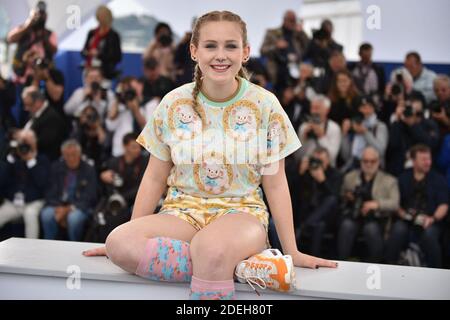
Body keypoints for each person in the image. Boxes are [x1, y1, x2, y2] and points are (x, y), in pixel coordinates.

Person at [83, 10, 337, 300]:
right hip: (181, 212)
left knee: (211, 248)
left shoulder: (266, 105)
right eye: (210, 45)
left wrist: (291, 250)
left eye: (230, 46)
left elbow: (276, 183)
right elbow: (154, 177)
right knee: (119, 242)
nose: (220, 55)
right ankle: (240, 267)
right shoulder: (172, 103)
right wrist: (134, 233)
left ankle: (221, 257)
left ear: (245, 52)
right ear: (194, 51)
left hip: (242, 214)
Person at [385, 144, 448, 268]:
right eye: (423, 159)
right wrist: (404, 214)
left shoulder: (438, 179)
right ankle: (388, 267)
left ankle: (436, 271)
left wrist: (433, 218)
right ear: (413, 161)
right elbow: (396, 203)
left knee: (429, 235)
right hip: (406, 219)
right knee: (398, 230)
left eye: (429, 159)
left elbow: (444, 205)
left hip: (431, 220)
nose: (428, 162)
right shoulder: (403, 178)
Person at [337, 147, 399, 263]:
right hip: (354, 215)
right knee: (346, 225)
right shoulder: (350, 177)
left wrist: (377, 204)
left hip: (376, 218)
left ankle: (377, 264)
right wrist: (348, 196)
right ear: (361, 162)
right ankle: (342, 262)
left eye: (372, 161)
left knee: (370, 229)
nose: (369, 164)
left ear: (378, 161)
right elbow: (341, 196)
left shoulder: (389, 180)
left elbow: (395, 203)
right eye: (365, 161)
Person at [40, 140, 97, 241]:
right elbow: (49, 191)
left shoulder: (89, 169)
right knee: (46, 215)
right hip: (57, 204)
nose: (71, 158)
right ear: (63, 155)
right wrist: (59, 207)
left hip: (79, 206)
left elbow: (90, 196)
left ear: (80, 154)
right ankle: (48, 244)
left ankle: (74, 245)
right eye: (67, 155)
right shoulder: (56, 167)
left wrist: (67, 210)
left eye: (74, 154)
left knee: (73, 219)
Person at [0, 129, 50, 238]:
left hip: (33, 202)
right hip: (13, 203)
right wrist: (10, 159)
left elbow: (43, 184)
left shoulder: (42, 159)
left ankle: (31, 250)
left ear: (34, 142)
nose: (25, 146)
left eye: (28, 142)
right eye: (23, 142)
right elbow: (2, 180)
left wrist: (32, 162)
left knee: (30, 215)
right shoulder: (14, 159)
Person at [7, 1, 57, 84]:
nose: (39, 17)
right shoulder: (24, 29)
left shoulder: (49, 34)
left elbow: (54, 50)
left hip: (41, 78)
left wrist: (43, 36)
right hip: (21, 77)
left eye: (41, 15)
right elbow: (10, 39)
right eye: (37, 15)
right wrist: (29, 23)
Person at [260, 10, 309, 93]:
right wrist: (276, 46)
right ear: (284, 20)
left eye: (294, 20)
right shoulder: (272, 33)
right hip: (277, 74)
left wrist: (302, 32)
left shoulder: (298, 35)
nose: (292, 23)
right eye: (291, 20)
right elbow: (262, 50)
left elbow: (308, 48)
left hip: (295, 74)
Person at [340, 95, 388, 172]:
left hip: (374, 166)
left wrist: (365, 132)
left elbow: (380, 151)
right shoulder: (354, 125)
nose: (367, 110)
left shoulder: (380, 126)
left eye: (370, 107)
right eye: (363, 107)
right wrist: (344, 135)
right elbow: (346, 156)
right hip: (354, 166)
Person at [21, 86, 67, 161]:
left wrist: (25, 139)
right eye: (25, 105)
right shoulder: (34, 113)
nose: (26, 108)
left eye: (29, 105)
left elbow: (45, 143)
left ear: (38, 102)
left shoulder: (52, 117)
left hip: (44, 160)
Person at [296, 95, 342, 167]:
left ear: (327, 110)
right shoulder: (304, 127)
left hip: (326, 169)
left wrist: (321, 136)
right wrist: (303, 138)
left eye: (317, 108)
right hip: (307, 167)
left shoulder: (334, 128)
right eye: (312, 108)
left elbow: (332, 157)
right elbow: (298, 156)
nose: (313, 111)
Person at [81, 5, 122, 82]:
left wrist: (99, 54)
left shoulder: (113, 36)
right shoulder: (92, 33)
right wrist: (87, 53)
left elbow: (117, 57)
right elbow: (84, 50)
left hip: (105, 72)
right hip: (89, 70)